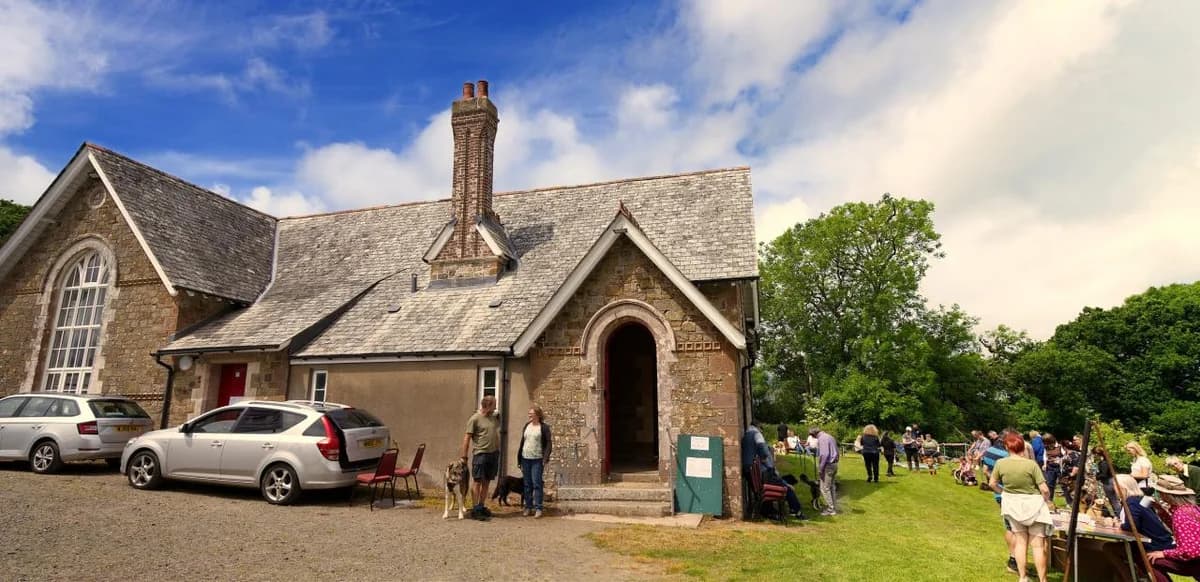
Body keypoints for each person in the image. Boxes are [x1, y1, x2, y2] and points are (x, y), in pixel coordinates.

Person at [990, 433, 1053, 582]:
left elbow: (992, 483)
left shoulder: (1001, 463)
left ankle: (1023, 577)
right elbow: (1044, 489)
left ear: (1007, 447)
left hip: (1012, 505)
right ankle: (1042, 580)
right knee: (1037, 546)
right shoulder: (1031, 465)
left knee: (1020, 542)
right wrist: (1045, 500)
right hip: (1033, 505)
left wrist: (1003, 492)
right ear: (1022, 447)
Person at [742, 421, 808, 520]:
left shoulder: (746, 435)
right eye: (762, 429)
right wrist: (767, 462)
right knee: (787, 487)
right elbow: (763, 449)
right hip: (763, 473)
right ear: (759, 427)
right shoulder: (756, 434)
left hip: (751, 472)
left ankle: (772, 510)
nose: (762, 431)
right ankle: (797, 511)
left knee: (785, 480)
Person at [1146, 475, 1200, 582]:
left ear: (1166, 495)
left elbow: (1190, 551)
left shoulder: (1180, 514)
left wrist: (1164, 553)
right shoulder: (1191, 508)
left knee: (1150, 560)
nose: (1159, 495)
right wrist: (1162, 512)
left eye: (1160, 492)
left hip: (1196, 563)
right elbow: (1182, 531)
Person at [981, 431, 1018, 573]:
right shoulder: (1007, 456)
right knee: (1015, 528)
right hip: (1010, 493)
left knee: (1009, 526)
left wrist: (995, 482)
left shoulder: (989, 451)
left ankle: (1014, 559)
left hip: (998, 493)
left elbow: (985, 470)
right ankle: (1013, 560)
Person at [460, 395, 501, 520]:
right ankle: (475, 508)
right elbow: (466, 438)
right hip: (480, 454)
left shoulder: (493, 417)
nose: (496, 407)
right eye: (494, 404)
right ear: (488, 406)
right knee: (477, 481)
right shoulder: (475, 419)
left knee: (487, 481)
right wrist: (464, 456)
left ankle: (482, 505)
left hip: (493, 454)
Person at [1114, 474, 1175, 552]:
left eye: (1115, 486)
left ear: (1122, 488)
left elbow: (1131, 526)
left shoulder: (1132, 502)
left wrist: (1118, 525)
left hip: (1153, 544)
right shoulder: (1142, 499)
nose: (1114, 489)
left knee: (1109, 548)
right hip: (1162, 541)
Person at [516, 405, 552, 518]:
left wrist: (545, 458)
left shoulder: (544, 427)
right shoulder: (527, 425)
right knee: (527, 484)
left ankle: (538, 508)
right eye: (529, 413)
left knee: (537, 484)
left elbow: (548, 444)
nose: (529, 415)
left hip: (537, 459)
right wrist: (519, 459)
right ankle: (528, 507)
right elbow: (523, 442)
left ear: (537, 415)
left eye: (531, 413)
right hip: (525, 458)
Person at [812, 427, 840, 515]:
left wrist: (821, 468)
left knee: (824, 488)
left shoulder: (822, 438)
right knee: (831, 487)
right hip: (834, 464)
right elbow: (837, 451)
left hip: (828, 465)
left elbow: (824, 454)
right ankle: (833, 507)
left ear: (814, 434)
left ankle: (830, 509)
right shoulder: (830, 436)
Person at [1042, 434, 1063, 503]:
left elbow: (1065, 456)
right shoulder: (1046, 447)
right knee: (1050, 484)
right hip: (1050, 467)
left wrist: (1059, 460)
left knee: (1063, 484)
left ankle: (1070, 502)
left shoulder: (1060, 446)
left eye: (1047, 442)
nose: (1046, 444)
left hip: (1059, 467)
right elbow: (1045, 456)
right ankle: (1049, 500)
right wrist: (1045, 464)